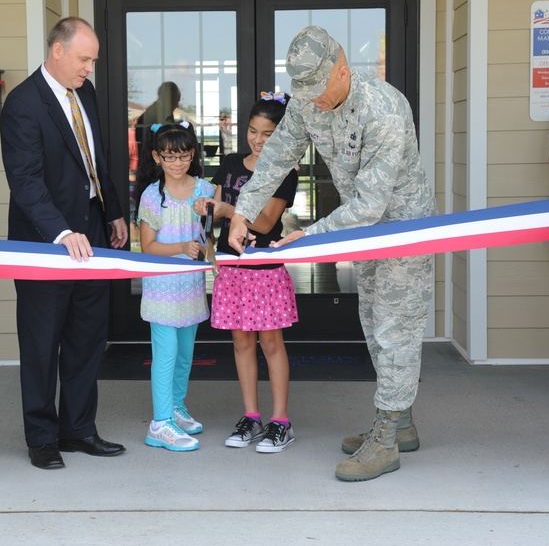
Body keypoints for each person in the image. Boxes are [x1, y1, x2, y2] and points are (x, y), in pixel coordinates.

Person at [226, 26, 436, 482]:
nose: (312, 102)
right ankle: (400, 424)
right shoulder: (307, 100)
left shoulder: (384, 109)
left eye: (318, 91)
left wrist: (312, 236)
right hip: (363, 236)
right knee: (373, 327)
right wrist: (243, 211)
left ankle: (386, 440)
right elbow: (277, 156)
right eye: (304, 94)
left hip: (401, 230)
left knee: (395, 328)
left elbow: (369, 205)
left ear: (342, 70)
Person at [0, 16, 128, 470]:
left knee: (86, 336)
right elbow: (26, 182)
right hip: (46, 242)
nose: (90, 68)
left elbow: (98, 161)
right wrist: (61, 231)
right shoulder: (22, 104)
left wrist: (111, 211)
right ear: (57, 51)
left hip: (92, 233)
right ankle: (42, 437)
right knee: (41, 342)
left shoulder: (85, 94)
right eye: (84, 58)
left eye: (93, 60)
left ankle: (78, 430)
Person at [193, 92, 299, 453]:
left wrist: (226, 209)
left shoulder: (283, 172)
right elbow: (217, 216)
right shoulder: (230, 163)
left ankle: (281, 421)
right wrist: (208, 208)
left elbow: (267, 221)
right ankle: (251, 416)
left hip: (264, 268)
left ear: (281, 135)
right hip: (231, 267)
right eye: (253, 131)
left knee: (271, 343)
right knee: (241, 343)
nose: (257, 139)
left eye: (267, 133)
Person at [135, 122, 214, 452]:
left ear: (193, 154)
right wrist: (182, 247)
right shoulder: (153, 196)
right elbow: (147, 246)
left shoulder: (205, 191)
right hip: (161, 290)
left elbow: (209, 239)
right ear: (156, 157)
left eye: (183, 156)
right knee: (164, 355)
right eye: (169, 157)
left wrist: (206, 245)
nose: (177, 163)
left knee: (184, 356)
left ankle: (176, 407)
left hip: (191, 287)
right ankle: (160, 423)